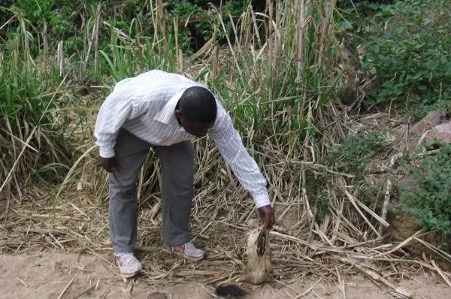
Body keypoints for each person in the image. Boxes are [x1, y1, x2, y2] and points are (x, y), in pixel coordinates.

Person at [94, 70, 275, 278]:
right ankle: (123, 251)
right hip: (136, 127)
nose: (203, 135)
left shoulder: (214, 117)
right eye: (198, 131)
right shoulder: (144, 96)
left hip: (174, 136)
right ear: (179, 115)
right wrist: (105, 149)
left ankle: (176, 240)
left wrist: (261, 198)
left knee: (181, 182)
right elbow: (111, 107)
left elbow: (236, 154)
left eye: (206, 129)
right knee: (123, 184)